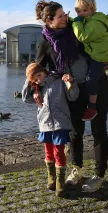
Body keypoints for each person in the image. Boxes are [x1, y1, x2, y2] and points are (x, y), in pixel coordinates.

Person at [28, 0, 108, 193]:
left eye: (65, 13)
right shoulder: (46, 44)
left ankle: (99, 175)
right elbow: (36, 70)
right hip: (72, 92)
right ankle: (77, 169)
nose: (66, 17)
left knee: (99, 130)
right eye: (61, 16)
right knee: (75, 132)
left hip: (97, 86)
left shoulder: (77, 31)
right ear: (49, 21)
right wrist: (35, 90)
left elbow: (101, 44)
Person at [26, 62, 79, 197]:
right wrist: (29, 81)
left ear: (44, 71)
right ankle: (52, 179)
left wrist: (72, 82)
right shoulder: (37, 90)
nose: (39, 79)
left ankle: (60, 184)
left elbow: (73, 96)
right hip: (45, 124)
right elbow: (24, 98)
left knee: (59, 152)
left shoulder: (59, 82)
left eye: (39, 75)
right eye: (35, 79)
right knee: (48, 152)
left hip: (60, 123)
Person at [73, 0, 108, 121]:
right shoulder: (90, 20)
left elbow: (83, 36)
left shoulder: (95, 23)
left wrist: (76, 21)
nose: (81, 14)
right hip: (98, 54)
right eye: (78, 11)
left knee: (90, 79)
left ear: (92, 9)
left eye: (84, 11)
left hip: (99, 57)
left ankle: (92, 107)